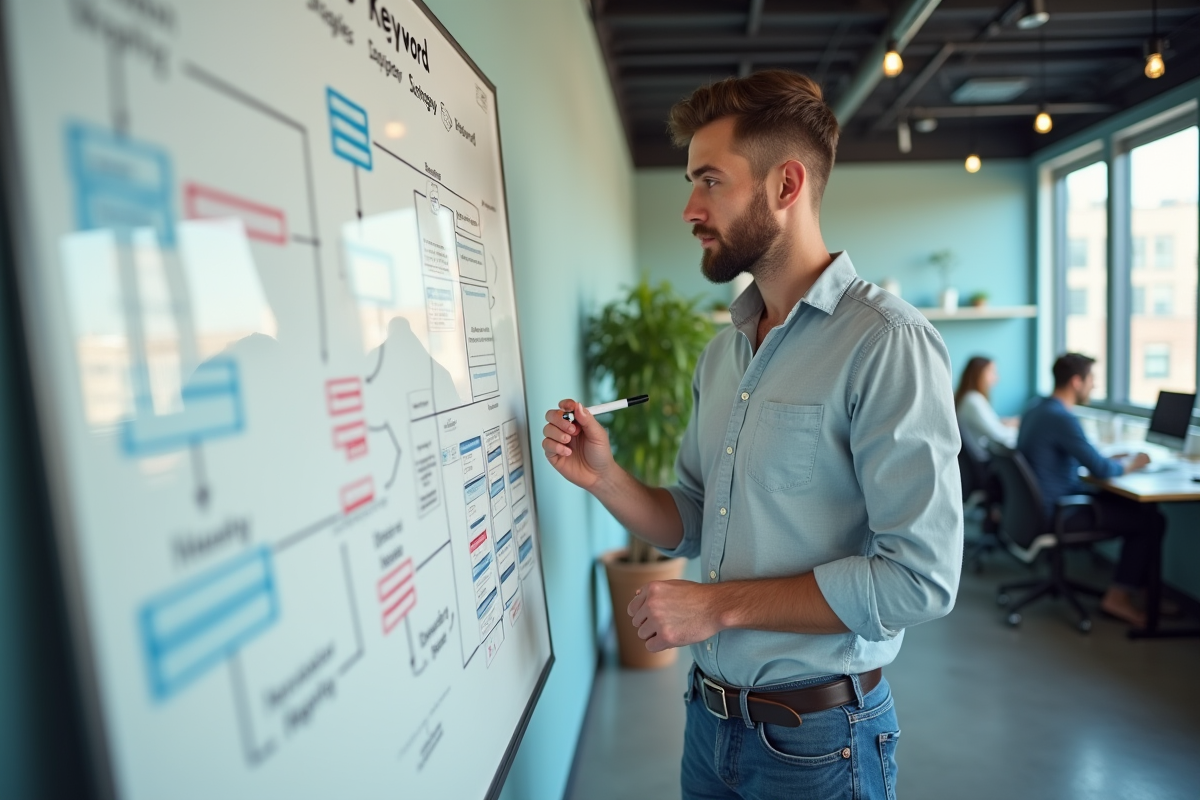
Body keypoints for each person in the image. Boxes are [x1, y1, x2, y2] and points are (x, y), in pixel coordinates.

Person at [541, 70, 962, 800]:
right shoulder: (723, 351)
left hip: (822, 745)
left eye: (710, 181)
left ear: (786, 186)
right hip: (709, 725)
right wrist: (604, 476)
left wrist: (718, 606)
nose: (689, 208)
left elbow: (921, 579)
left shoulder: (887, 343)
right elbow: (696, 519)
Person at [1017, 353, 1164, 628]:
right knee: (1151, 520)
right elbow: (1102, 470)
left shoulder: (1037, 408)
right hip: (1061, 512)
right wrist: (1136, 461)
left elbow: (1082, 458)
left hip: (1040, 508)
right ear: (1076, 381)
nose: (1094, 387)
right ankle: (1119, 597)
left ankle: (1142, 592)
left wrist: (1112, 457)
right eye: (1091, 380)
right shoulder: (1062, 418)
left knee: (1135, 510)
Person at [955, 355, 1018, 449]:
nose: (996, 377)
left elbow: (987, 425)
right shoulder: (973, 400)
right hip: (984, 455)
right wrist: (1022, 431)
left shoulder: (968, 398)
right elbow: (998, 434)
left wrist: (1003, 423)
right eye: (992, 372)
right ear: (979, 373)